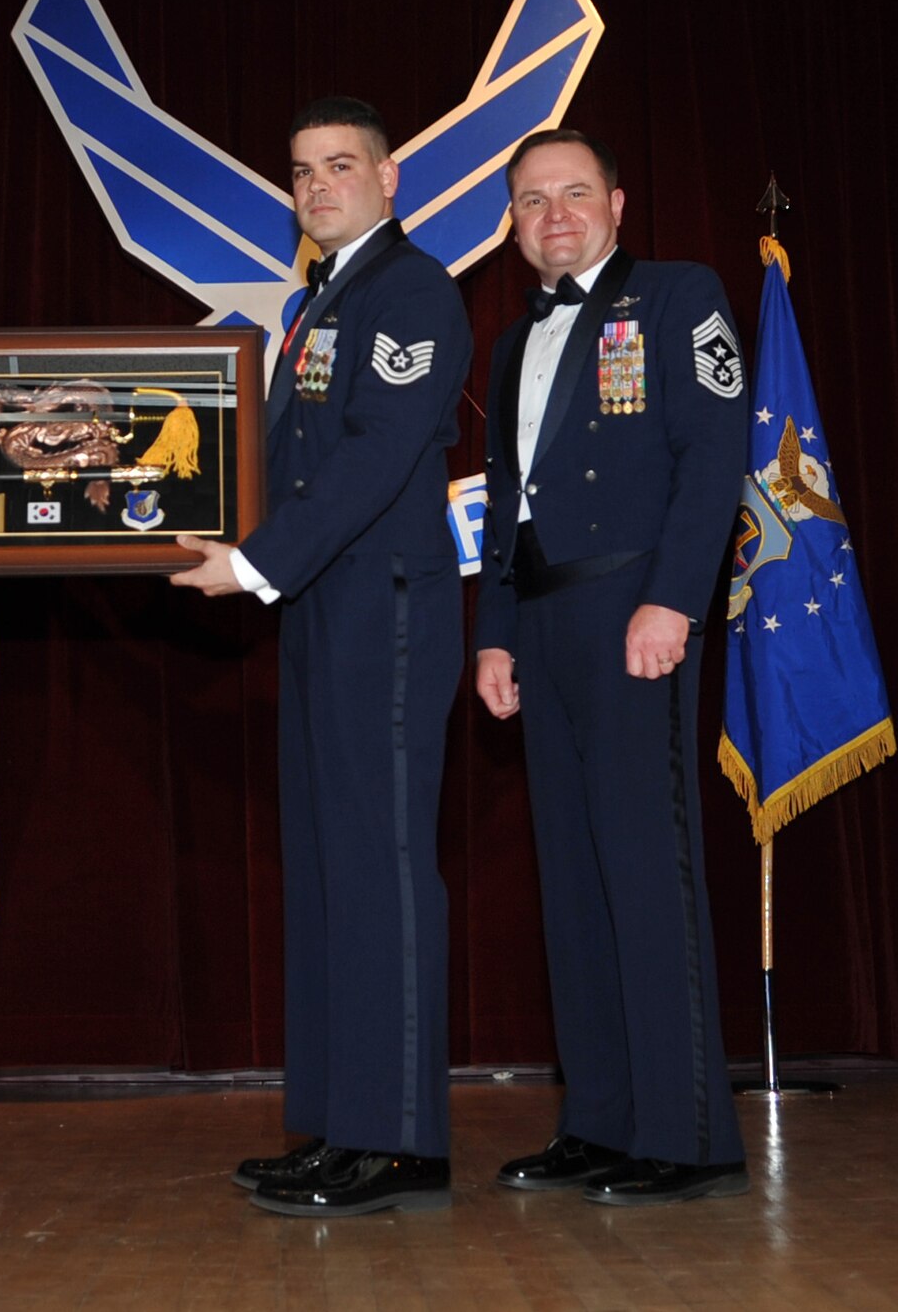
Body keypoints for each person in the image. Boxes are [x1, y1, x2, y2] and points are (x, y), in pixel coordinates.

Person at [172, 96, 471, 1216]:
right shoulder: (316, 303)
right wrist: (186, 524)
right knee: (329, 868)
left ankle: (398, 1140)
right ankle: (341, 1123)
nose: (317, 187)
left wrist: (255, 562)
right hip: (319, 605)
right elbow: (273, 453)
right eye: (301, 172)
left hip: (382, 610)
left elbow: (375, 454)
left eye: (340, 166)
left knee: (381, 869)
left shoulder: (412, 291)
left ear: (389, 178)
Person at [473, 128, 748, 1206]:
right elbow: (506, 502)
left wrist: (673, 598)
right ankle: (597, 1119)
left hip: (634, 607)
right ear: (511, 222)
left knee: (643, 868)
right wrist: (494, 632)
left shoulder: (678, 296)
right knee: (572, 877)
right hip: (544, 621)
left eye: (574, 193)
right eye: (532, 200)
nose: (555, 215)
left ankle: (683, 1132)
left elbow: (712, 455)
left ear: (617, 204)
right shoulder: (511, 341)